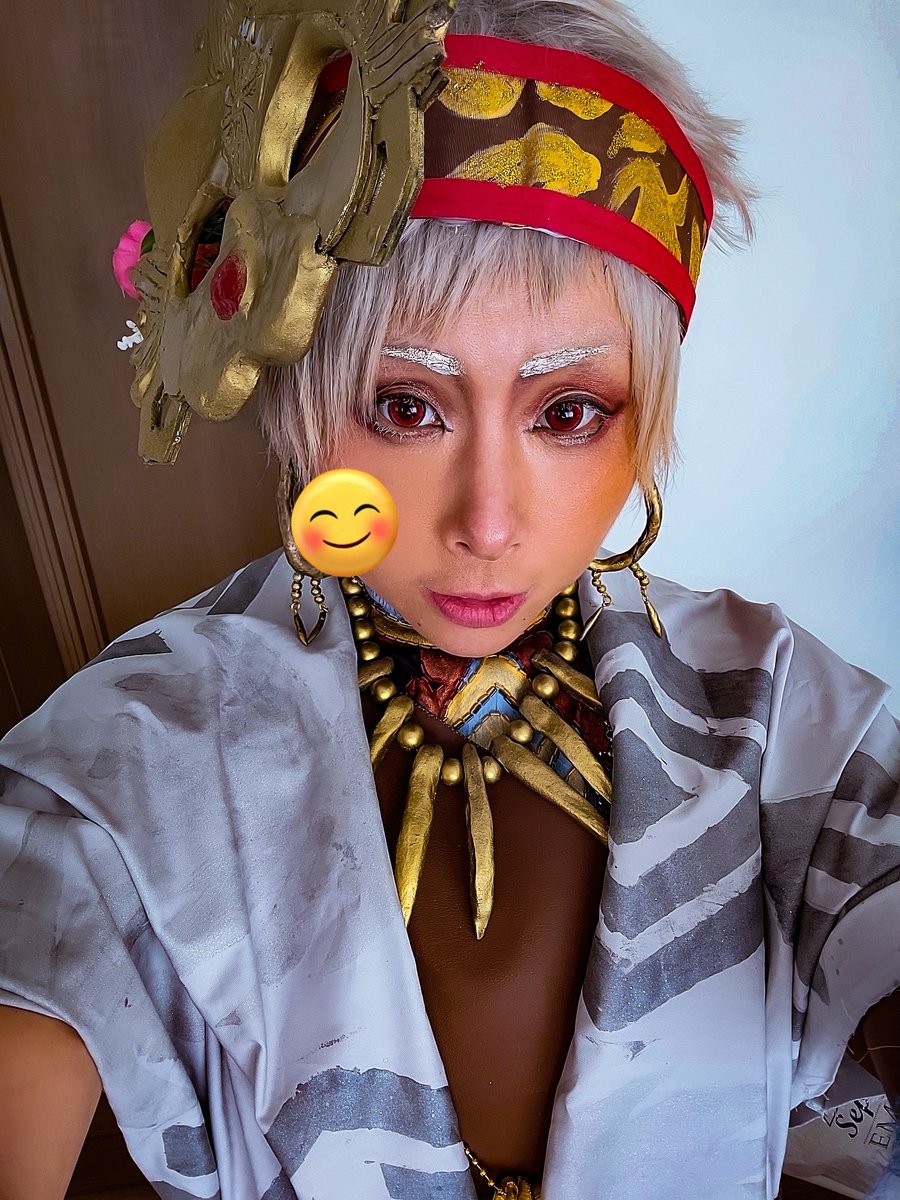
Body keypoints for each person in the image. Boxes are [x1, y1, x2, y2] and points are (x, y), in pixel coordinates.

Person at [0, 1, 897, 1198]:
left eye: (567, 412)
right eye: (406, 407)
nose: (487, 521)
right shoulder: (139, 749)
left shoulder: (773, 709)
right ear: (298, 401)